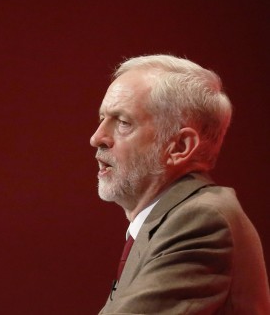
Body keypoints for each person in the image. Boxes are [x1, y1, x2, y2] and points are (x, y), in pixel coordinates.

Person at [90, 54, 270, 314]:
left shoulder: (201, 221)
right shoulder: (165, 218)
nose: (97, 137)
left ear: (179, 147)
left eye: (123, 123)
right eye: (102, 118)